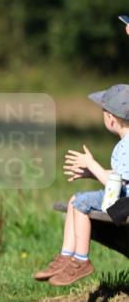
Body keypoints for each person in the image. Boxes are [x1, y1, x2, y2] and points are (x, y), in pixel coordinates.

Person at [33, 84, 129, 286]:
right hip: (124, 195)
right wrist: (92, 173)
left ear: (110, 118)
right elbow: (122, 176)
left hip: (125, 201)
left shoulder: (125, 146)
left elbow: (116, 187)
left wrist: (92, 165)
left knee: (80, 203)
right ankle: (66, 257)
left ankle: (81, 260)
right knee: (74, 200)